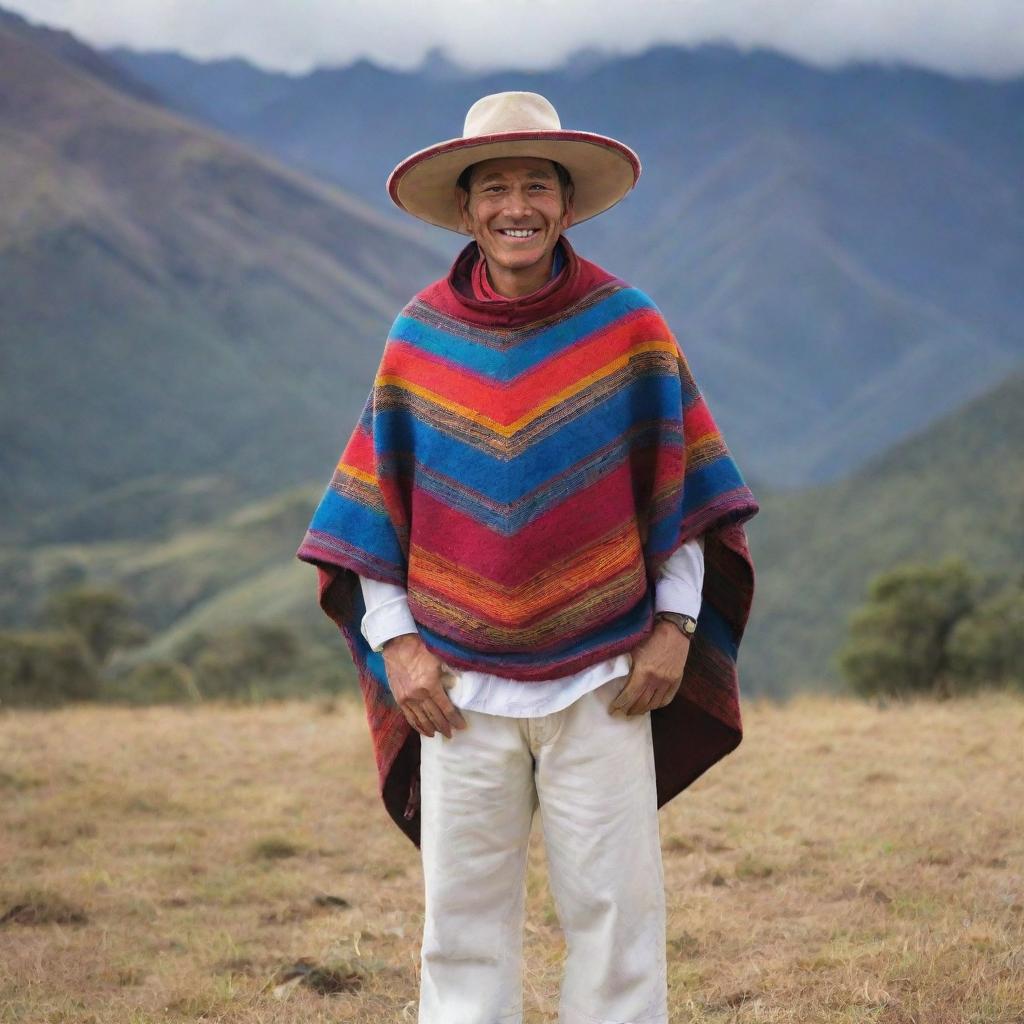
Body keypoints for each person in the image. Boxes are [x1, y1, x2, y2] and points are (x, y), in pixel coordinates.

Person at [297, 91, 759, 1024]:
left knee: (618, 918)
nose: (518, 205)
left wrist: (674, 628)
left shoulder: (628, 326)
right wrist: (398, 647)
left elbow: (679, 491)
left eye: (537, 185)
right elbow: (375, 507)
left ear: (568, 202)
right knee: (460, 925)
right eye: (496, 186)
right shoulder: (419, 335)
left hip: (607, 674)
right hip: (455, 691)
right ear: (467, 210)